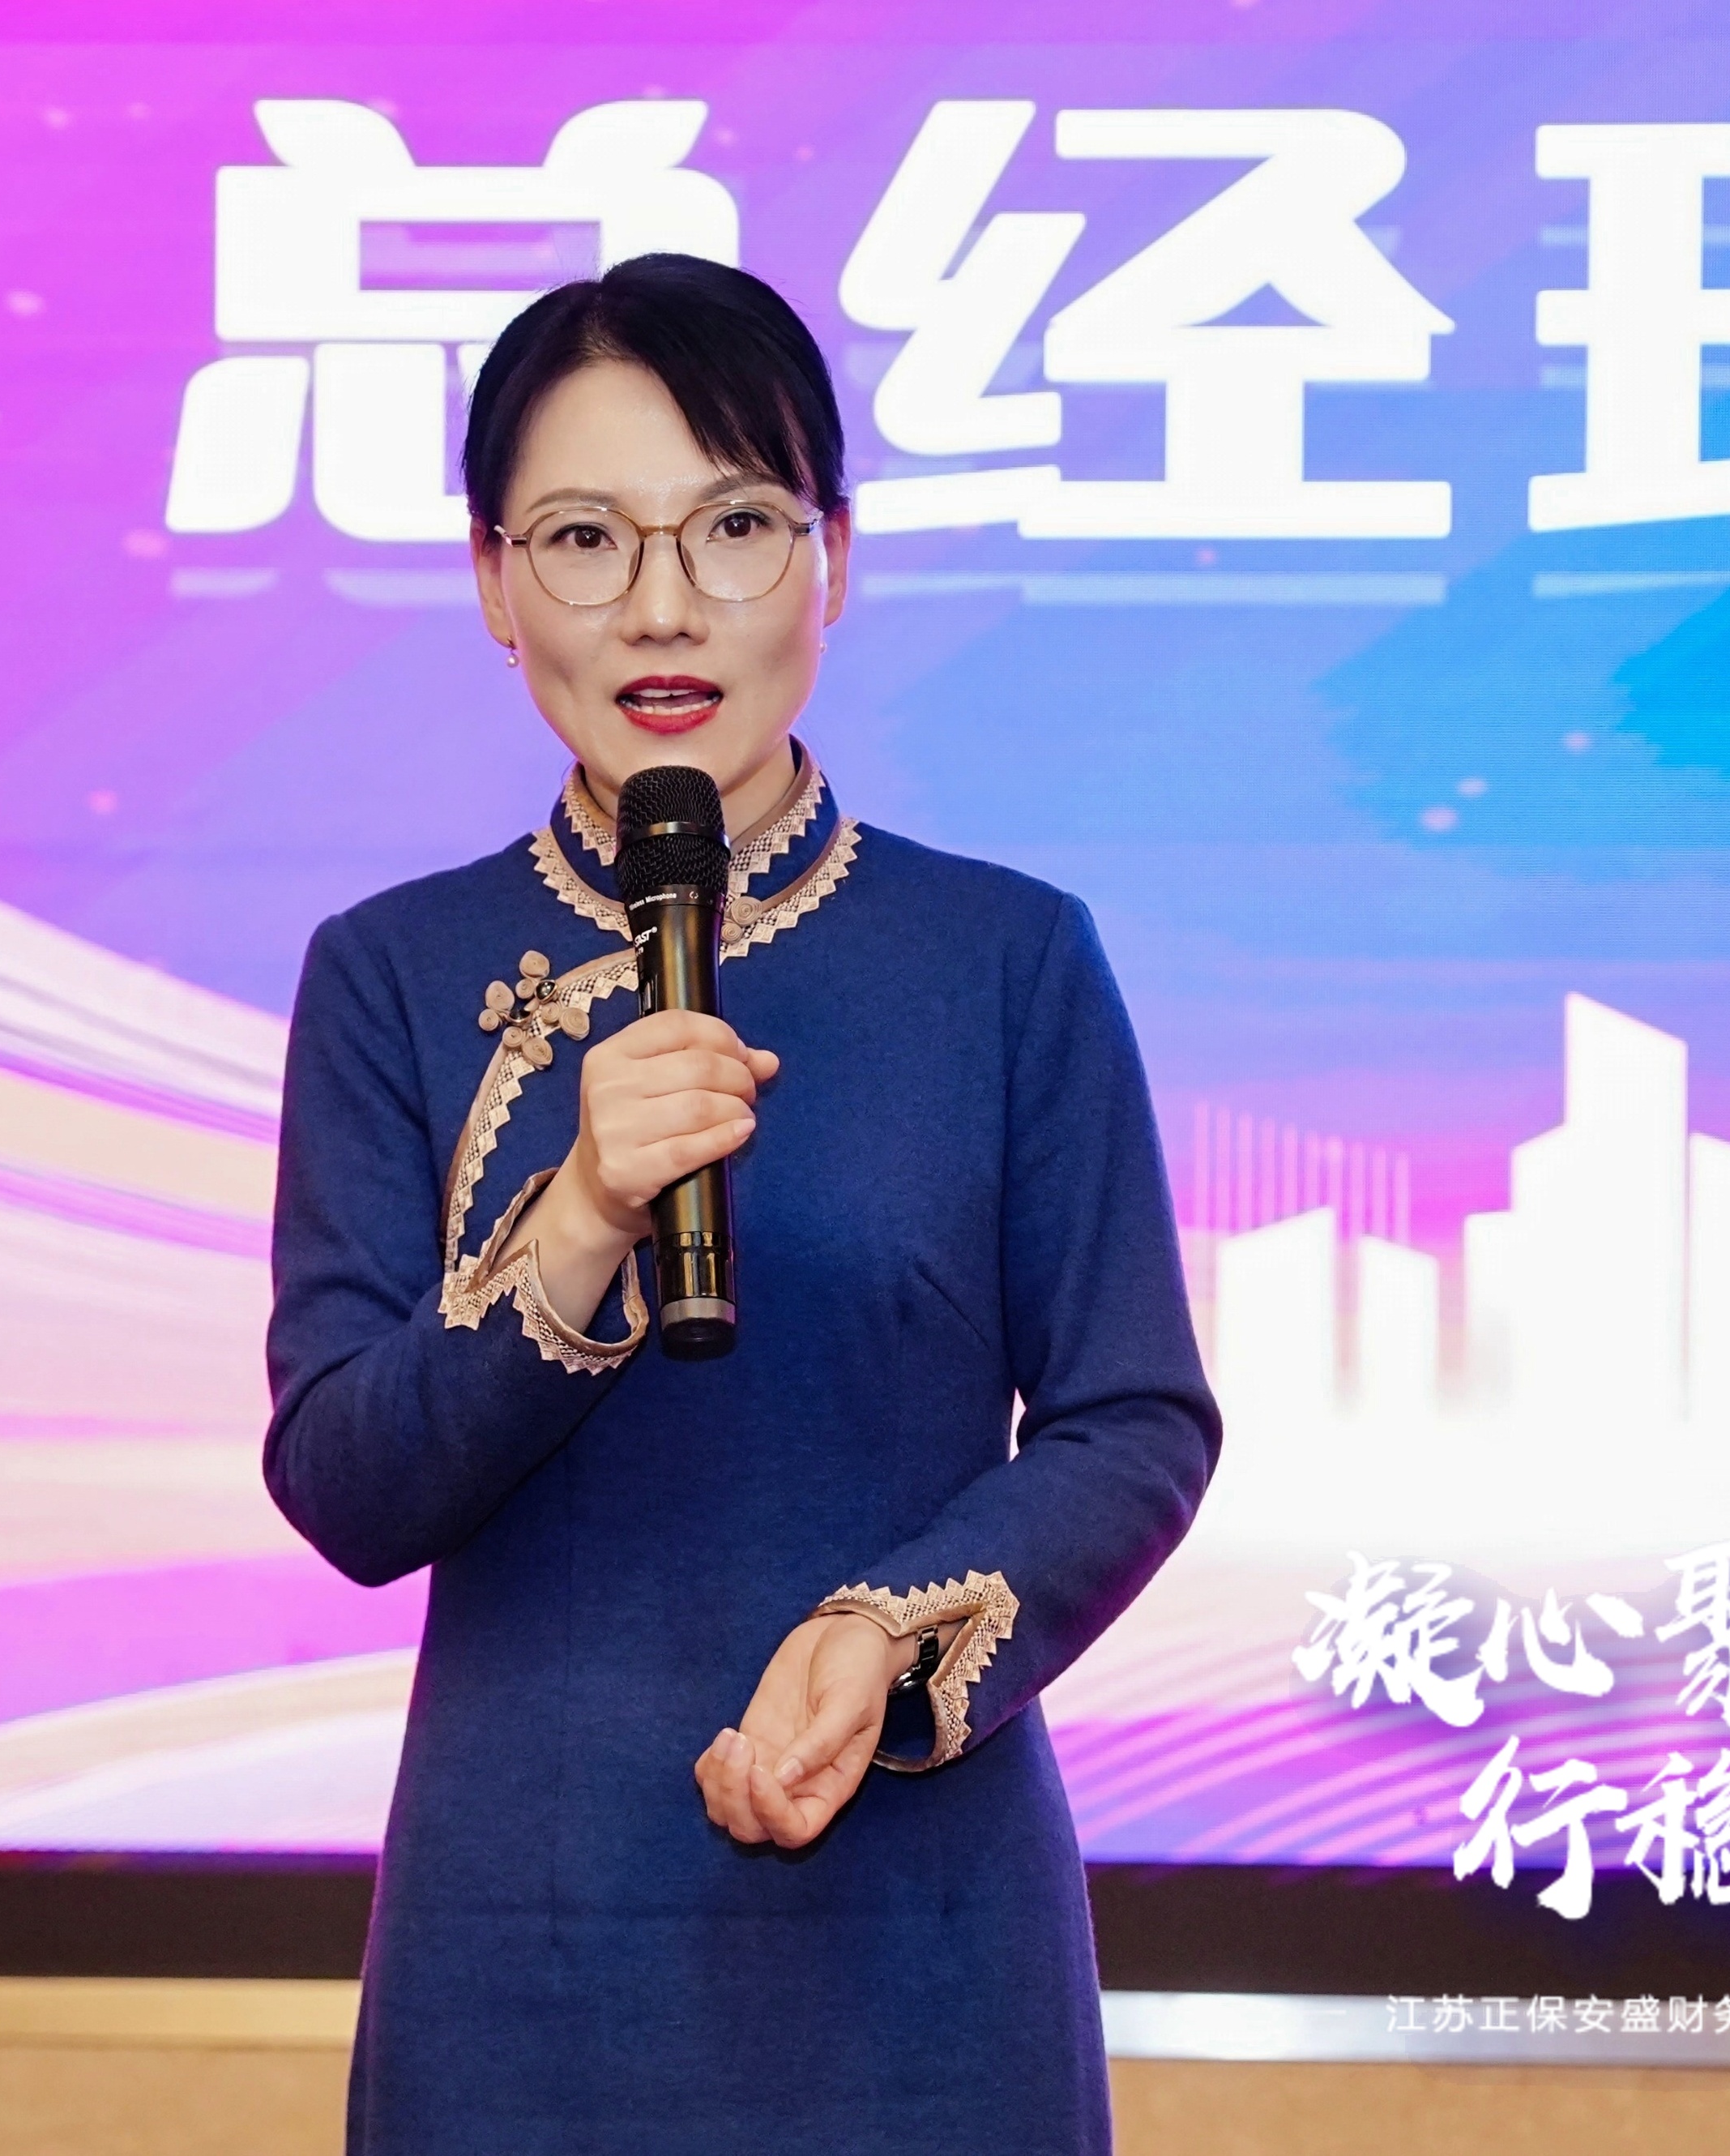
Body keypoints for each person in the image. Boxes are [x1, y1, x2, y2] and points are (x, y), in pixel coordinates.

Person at [263, 252, 1221, 2154]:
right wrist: (577, 1221)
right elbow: (347, 1488)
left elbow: (1133, 1420)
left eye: (732, 525)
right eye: (582, 538)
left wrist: (887, 1631)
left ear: (832, 559)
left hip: (919, 1934)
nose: (662, 604)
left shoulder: (1004, 959)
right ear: (490, 581)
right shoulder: (390, 974)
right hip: (524, 1945)